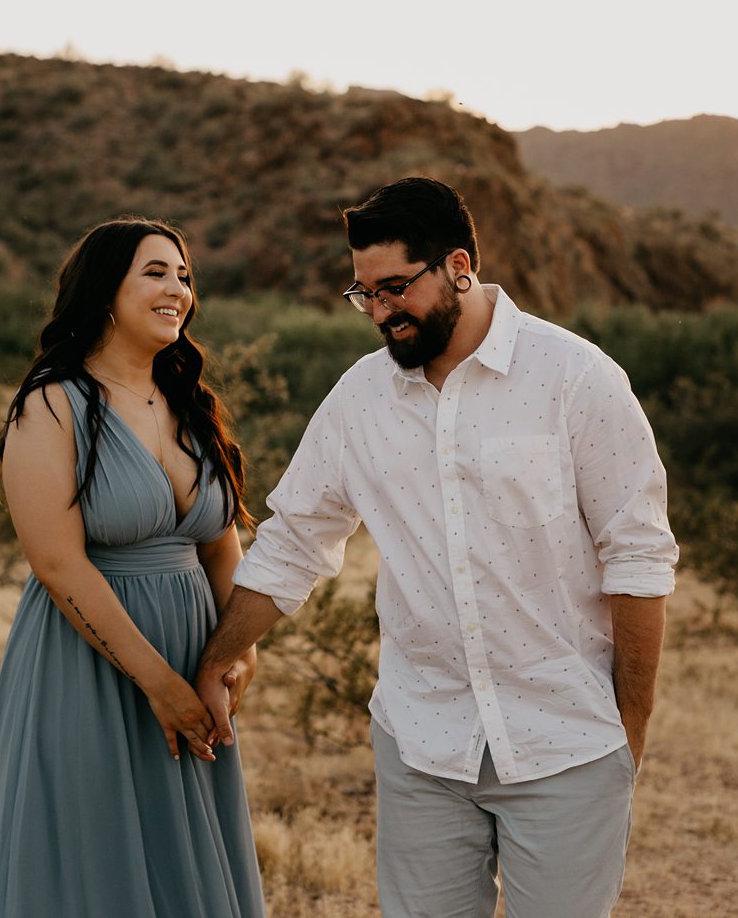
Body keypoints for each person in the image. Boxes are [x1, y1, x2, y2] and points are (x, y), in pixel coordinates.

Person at [195, 177, 677, 918]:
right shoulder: (360, 399)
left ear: (458, 265)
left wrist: (627, 735)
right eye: (364, 295)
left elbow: (638, 560)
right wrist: (216, 656)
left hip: (567, 741)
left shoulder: (577, 379)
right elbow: (294, 541)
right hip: (421, 742)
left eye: (394, 287)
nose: (381, 311)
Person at [0, 218, 264, 918]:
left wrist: (233, 654)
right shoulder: (51, 404)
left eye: (184, 276)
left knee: (185, 859)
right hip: (89, 663)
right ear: (106, 291)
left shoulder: (189, 403)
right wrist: (157, 682)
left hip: (191, 653)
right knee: (96, 861)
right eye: (156, 272)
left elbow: (220, 541)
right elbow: (58, 564)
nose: (178, 289)